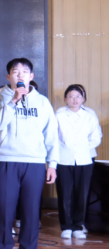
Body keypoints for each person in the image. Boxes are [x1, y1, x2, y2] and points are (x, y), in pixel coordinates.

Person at [0, 58, 59, 249]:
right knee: (4, 209)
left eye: (24, 72)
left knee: (31, 210)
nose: (20, 75)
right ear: (8, 76)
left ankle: (28, 246)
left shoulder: (42, 102)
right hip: (6, 160)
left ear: (31, 76)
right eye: (15, 72)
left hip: (35, 162)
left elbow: (51, 135)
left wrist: (52, 164)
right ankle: (3, 245)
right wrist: (13, 101)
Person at [55, 84, 102, 239]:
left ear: (83, 99)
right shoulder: (59, 114)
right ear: (65, 99)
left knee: (82, 193)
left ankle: (78, 226)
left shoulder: (90, 114)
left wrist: (81, 148)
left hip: (84, 159)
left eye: (78, 96)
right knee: (65, 193)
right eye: (71, 96)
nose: (74, 99)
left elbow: (96, 137)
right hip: (63, 159)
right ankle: (66, 226)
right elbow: (54, 136)